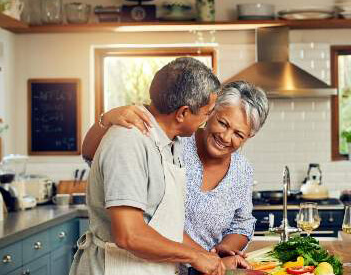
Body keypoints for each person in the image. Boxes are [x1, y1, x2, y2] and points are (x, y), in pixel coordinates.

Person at [82, 81, 270, 264]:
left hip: (207, 268)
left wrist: (221, 251)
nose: (226, 137)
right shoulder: (176, 141)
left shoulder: (242, 170)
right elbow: (93, 154)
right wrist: (105, 119)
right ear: (210, 112)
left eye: (239, 134)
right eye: (223, 123)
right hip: (152, 263)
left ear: (249, 137)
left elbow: (242, 222)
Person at [70, 57, 226, 275]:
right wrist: (194, 256)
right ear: (182, 113)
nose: (207, 121)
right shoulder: (128, 142)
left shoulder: (170, 142)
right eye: (207, 113)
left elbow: (163, 226)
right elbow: (129, 234)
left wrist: (211, 259)